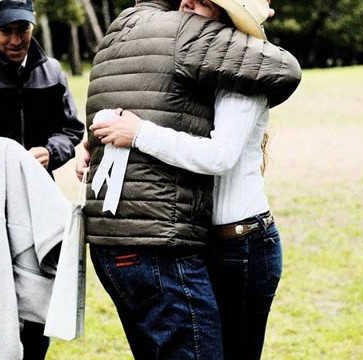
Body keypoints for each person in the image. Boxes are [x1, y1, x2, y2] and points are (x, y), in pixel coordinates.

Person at [82, 0, 301, 358]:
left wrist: (138, 134)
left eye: (204, 3)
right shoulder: (197, 65)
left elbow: (219, 156)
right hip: (206, 239)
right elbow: (150, 103)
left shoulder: (243, 77)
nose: (185, 5)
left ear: (226, 18)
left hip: (243, 241)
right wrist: (92, 143)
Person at [0, 0, 84, 359]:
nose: (16, 39)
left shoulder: (51, 71)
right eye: (6, 30)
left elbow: (71, 128)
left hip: (38, 209)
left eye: (23, 30)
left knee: (36, 306)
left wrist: (50, 152)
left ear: (33, 26)